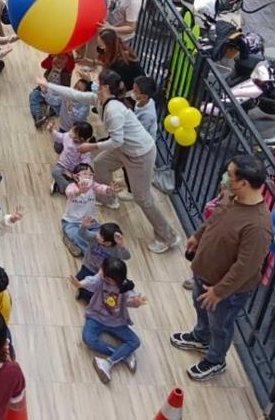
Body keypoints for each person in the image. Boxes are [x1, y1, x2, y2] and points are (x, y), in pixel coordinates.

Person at [171, 155, 272, 382]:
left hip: (227, 292)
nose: (225, 178)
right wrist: (198, 235)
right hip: (204, 274)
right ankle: (201, 336)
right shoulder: (231, 196)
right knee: (200, 307)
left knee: (221, 326)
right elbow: (215, 217)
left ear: (244, 183)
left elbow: (246, 267)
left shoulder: (258, 226)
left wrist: (219, 291)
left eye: (230, 175)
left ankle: (216, 360)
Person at [77, 70, 180, 254]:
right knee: (101, 163)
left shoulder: (125, 110)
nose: (132, 91)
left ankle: (168, 237)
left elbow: (119, 139)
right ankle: (108, 198)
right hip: (125, 147)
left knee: (143, 198)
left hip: (140, 154)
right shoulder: (119, 102)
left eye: (136, 90)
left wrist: (91, 146)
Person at [70, 256, 147, 384]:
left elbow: (131, 299)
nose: (100, 271)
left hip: (116, 322)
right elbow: (91, 281)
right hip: (96, 317)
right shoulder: (100, 280)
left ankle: (108, 362)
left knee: (135, 342)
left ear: (111, 279)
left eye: (103, 270)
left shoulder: (126, 288)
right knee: (88, 339)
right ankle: (123, 355)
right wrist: (80, 284)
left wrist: (136, 303)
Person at [72, 222, 132, 301]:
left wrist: (121, 246)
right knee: (80, 280)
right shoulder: (94, 238)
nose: (97, 234)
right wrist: (83, 227)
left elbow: (127, 256)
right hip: (88, 267)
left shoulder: (116, 249)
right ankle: (83, 292)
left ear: (108, 242)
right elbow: (82, 234)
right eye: (99, 232)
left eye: (100, 235)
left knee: (95, 289)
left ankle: (87, 296)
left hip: (103, 273)